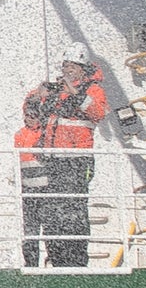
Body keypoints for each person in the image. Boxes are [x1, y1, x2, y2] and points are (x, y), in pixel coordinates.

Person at [16, 43, 106, 268]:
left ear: (83, 68)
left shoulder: (92, 90)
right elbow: (31, 112)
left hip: (77, 160)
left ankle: (76, 261)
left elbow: (97, 112)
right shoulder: (56, 90)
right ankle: (56, 259)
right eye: (66, 65)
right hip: (52, 161)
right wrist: (38, 94)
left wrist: (73, 92)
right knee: (53, 214)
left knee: (74, 212)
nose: (68, 70)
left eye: (73, 66)